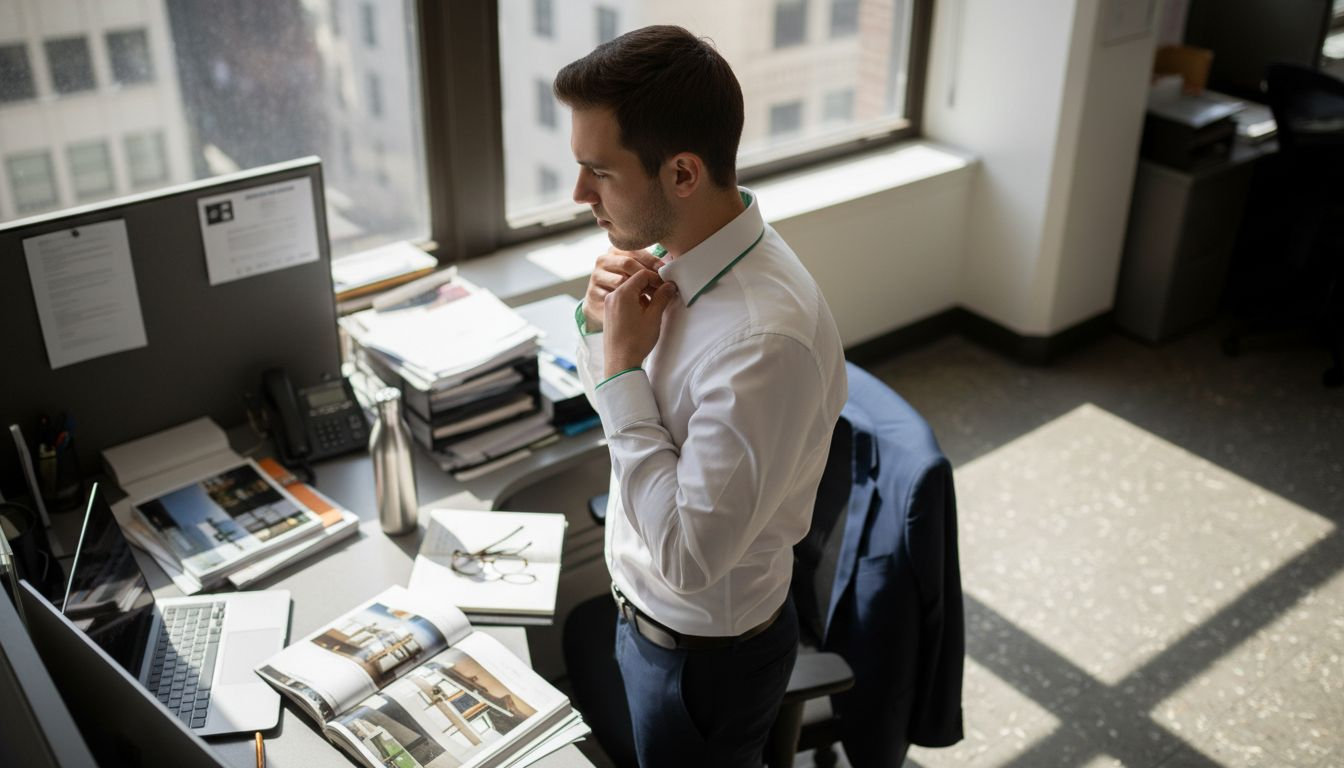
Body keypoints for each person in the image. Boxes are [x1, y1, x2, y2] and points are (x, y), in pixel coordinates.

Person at [556, 25, 847, 766]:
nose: (578, 194)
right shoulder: (671, 257)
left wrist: (620, 374)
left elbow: (688, 559)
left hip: (701, 662)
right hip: (644, 615)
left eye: (599, 172)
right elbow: (623, 407)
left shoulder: (762, 344)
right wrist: (599, 331)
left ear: (682, 174)